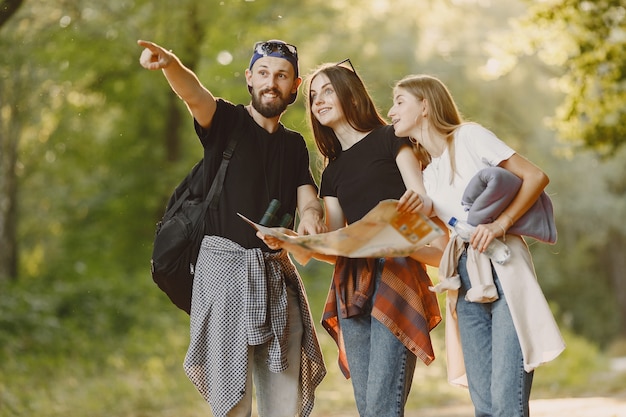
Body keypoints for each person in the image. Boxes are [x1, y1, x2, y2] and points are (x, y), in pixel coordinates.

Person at [137, 39, 327, 417]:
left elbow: (307, 196)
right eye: (263, 73)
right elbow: (195, 95)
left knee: (284, 404)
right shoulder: (228, 122)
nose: (271, 82)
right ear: (249, 78)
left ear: (295, 85)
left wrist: (310, 218)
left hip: (276, 279)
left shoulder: (294, 146)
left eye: (281, 75)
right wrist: (171, 63)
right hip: (223, 278)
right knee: (232, 405)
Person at [388, 74, 565, 417]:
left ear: (425, 105)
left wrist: (501, 223)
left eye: (399, 101)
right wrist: (400, 240)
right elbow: (443, 237)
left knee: (506, 401)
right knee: (483, 404)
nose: (391, 111)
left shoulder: (469, 137)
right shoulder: (428, 173)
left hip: (503, 266)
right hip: (465, 277)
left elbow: (535, 176)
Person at [302, 60, 447, 417]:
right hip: (351, 283)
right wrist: (298, 243)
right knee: (369, 408)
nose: (318, 100)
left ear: (350, 94)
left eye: (327, 91)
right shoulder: (332, 171)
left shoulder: (390, 138)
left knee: (383, 405)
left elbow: (422, 198)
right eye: (312, 95)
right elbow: (339, 244)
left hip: (397, 270)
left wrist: (416, 213)